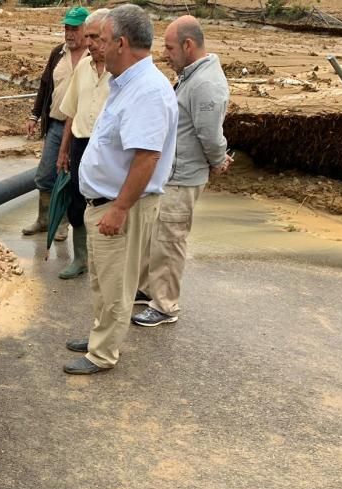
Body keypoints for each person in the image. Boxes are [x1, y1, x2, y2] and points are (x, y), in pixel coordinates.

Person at [63, 4, 178, 375]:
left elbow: (146, 157)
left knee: (116, 284)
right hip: (105, 200)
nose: (94, 45)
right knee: (102, 278)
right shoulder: (126, 82)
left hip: (119, 204)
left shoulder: (146, 91)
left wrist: (120, 207)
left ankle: (103, 353)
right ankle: (101, 335)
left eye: (103, 39)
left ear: (122, 43)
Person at [131, 15, 231, 327]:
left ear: (188, 45)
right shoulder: (192, 75)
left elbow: (210, 135)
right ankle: (150, 289)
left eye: (170, 47)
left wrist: (218, 160)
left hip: (183, 176)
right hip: (172, 173)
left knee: (169, 240)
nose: (165, 54)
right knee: (156, 237)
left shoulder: (205, 84)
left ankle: (165, 305)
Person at [22, 5, 90, 242]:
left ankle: (62, 223)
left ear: (86, 29)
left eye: (74, 29)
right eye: (66, 28)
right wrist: (34, 116)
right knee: (44, 176)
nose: (69, 34)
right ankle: (43, 219)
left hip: (81, 129)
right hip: (56, 124)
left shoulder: (94, 57)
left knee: (69, 177)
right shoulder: (57, 53)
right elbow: (44, 85)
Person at [55, 8, 112, 278]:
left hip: (107, 148)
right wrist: (64, 150)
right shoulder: (82, 67)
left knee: (106, 203)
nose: (89, 42)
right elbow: (71, 111)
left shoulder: (120, 72)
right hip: (80, 143)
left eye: (95, 36)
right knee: (77, 202)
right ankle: (80, 259)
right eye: (87, 36)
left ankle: (106, 259)